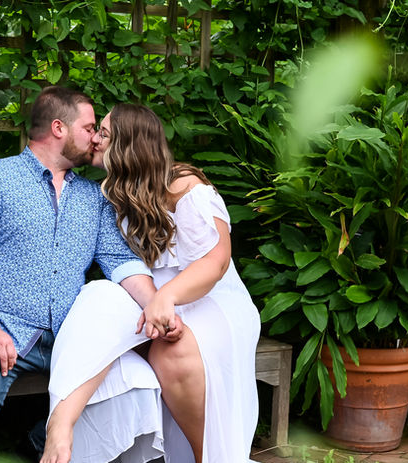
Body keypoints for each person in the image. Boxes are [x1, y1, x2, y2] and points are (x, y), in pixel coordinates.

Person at [0, 87, 157, 454]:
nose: (96, 138)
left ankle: (37, 447)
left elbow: (120, 261)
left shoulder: (94, 197)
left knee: (130, 382)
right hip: (1, 324)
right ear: (59, 128)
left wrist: (156, 305)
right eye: (89, 128)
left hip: (69, 335)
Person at [42, 103, 261, 463]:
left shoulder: (185, 187)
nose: (95, 139)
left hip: (209, 301)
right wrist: (156, 301)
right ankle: (60, 426)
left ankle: (210, 457)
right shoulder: (113, 194)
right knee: (98, 298)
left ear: (128, 145)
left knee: (170, 352)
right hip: (150, 298)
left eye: (104, 134)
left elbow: (216, 261)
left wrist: (167, 298)